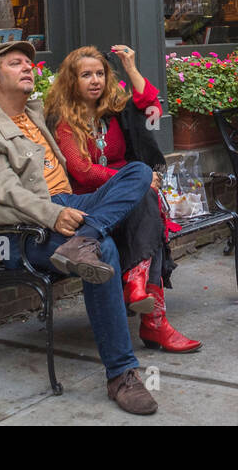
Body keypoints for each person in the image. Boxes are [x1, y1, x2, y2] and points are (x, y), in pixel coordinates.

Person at [0, 40, 158, 414]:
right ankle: (121, 375)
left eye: (29, 63)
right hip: (22, 232)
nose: (27, 68)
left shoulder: (35, 113)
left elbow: (132, 107)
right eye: (15, 63)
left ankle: (85, 238)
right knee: (106, 250)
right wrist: (52, 216)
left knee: (139, 172)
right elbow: (8, 194)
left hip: (69, 208)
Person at [44, 44, 200, 354]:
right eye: (86, 75)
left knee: (144, 200)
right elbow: (83, 172)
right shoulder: (64, 120)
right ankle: (153, 321)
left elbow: (150, 104)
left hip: (131, 199)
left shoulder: (113, 111)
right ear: (71, 81)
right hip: (93, 202)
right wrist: (132, 179)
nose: (95, 80)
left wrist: (130, 67)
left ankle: (138, 282)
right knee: (144, 195)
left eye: (100, 73)